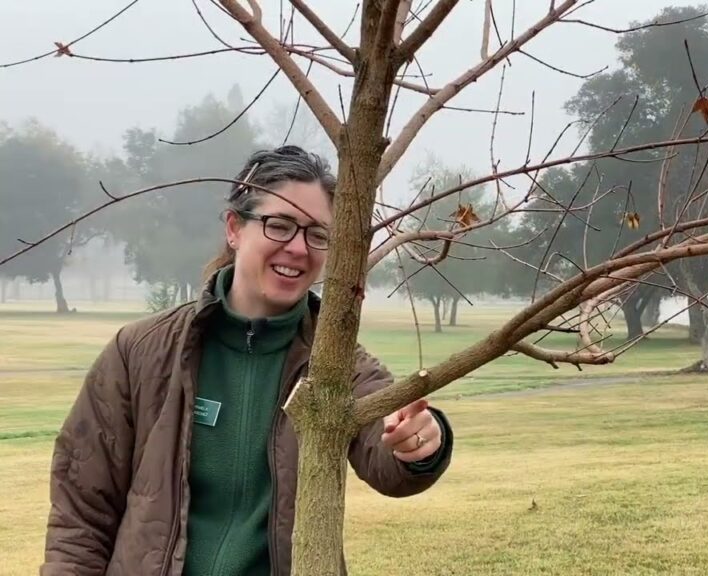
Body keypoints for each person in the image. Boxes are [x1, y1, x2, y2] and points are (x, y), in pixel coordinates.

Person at [41, 145, 454, 575]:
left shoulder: (338, 364)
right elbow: (80, 515)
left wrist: (421, 441)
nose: (298, 248)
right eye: (280, 226)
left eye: (317, 235)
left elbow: (386, 450)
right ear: (234, 228)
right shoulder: (140, 351)